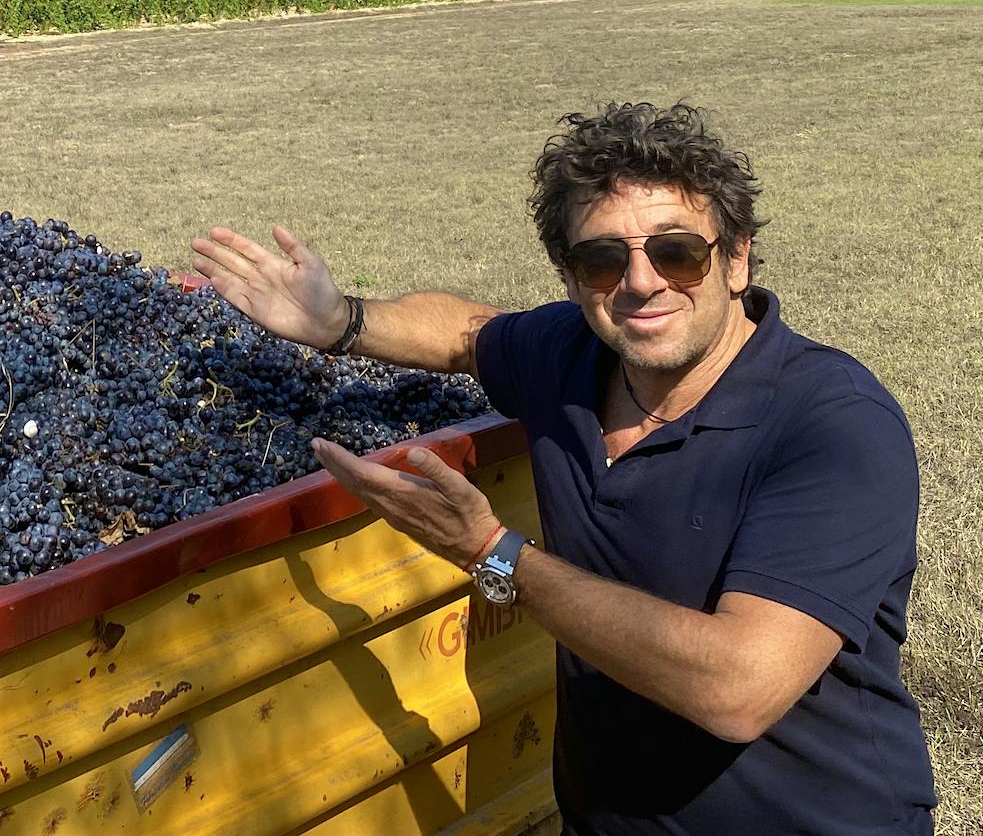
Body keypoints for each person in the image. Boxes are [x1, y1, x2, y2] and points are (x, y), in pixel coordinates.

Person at [191, 102, 936, 835]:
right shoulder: (571, 357)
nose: (641, 283)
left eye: (677, 252)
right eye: (602, 260)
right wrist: (341, 321)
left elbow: (737, 689)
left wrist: (493, 554)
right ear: (572, 278)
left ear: (736, 259)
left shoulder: (833, 426)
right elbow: (465, 332)